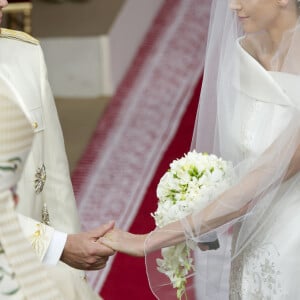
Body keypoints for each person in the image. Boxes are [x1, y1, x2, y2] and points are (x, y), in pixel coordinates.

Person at [100, 0, 300, 299]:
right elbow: (242, 157)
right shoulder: (242, 54)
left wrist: (152, 240)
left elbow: (268, 172)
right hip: (255, 232)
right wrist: (203, 198)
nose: (232, 6)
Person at [0, 0, 115, 298]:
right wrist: (58, 246)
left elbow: (54, 177)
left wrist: (73, 275)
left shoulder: (25, 55)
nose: (4, 2)